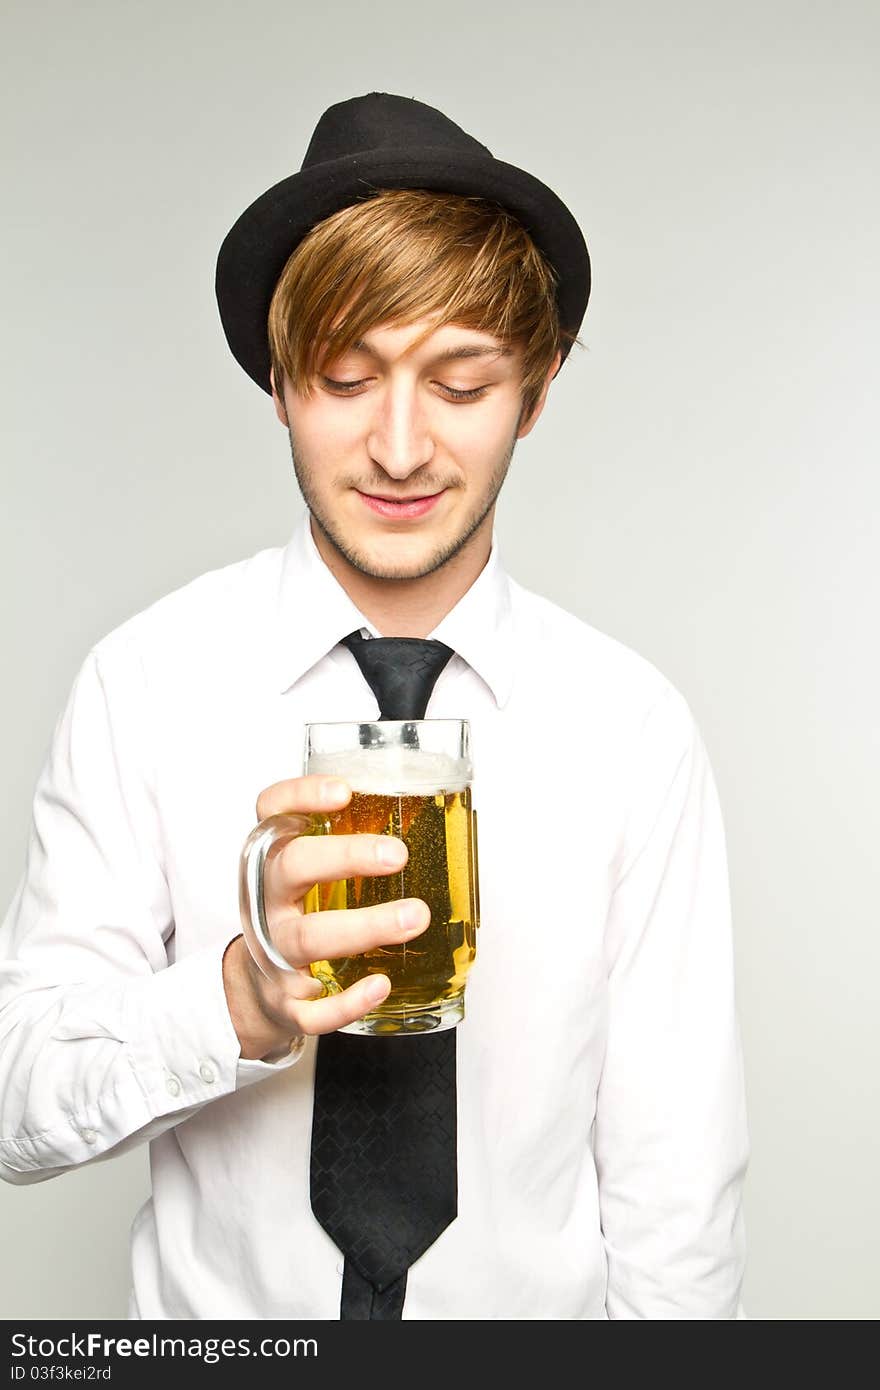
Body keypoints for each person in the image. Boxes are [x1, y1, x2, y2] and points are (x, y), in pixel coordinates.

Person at [0, 91, 749, 1320]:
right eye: (346, 377)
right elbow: (16, 1104)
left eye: (461, 385)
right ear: (281, 385)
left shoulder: (630, 727)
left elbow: (678, 1196)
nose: (399, 448)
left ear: (540, 388)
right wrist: (232, 997)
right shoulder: (145, 681)